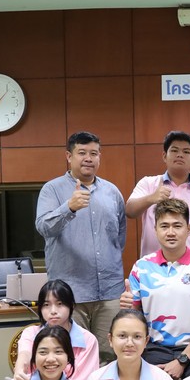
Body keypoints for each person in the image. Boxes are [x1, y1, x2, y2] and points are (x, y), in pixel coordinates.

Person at [36, 131, 127, 360]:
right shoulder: (52, 189)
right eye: (82, 153)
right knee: (71, 355)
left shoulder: (112, 192)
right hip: (70, 293)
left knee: (110, 355)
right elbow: (44, 227)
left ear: (99, 157)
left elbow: (119, 238)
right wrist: (69, 208)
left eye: (94, 153)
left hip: (110, 292)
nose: (88, 158)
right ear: (69, 156)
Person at [120, 198, 190, 380]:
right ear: (155, 229)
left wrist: (183, 360)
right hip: (153, 347)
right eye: (164, 226)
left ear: (188, 229)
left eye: (177, 226)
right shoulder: (142, 266)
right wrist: (128, 306)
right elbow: (134, 317)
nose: (171, 232)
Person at [125, 130, 190, 260]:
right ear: (164, 156)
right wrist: (151, 198)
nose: (180, 155)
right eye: (174, 150)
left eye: (186, 152)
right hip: (153, 266)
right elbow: (129, 211)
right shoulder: (148, 183)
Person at [12, 279, 101, 380]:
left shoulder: (88, 340)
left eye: (60, 304)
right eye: (46, 305)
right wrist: (20, 369)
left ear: (71, 306)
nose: (53, 311)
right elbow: (25, 354)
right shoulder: (30, 333)